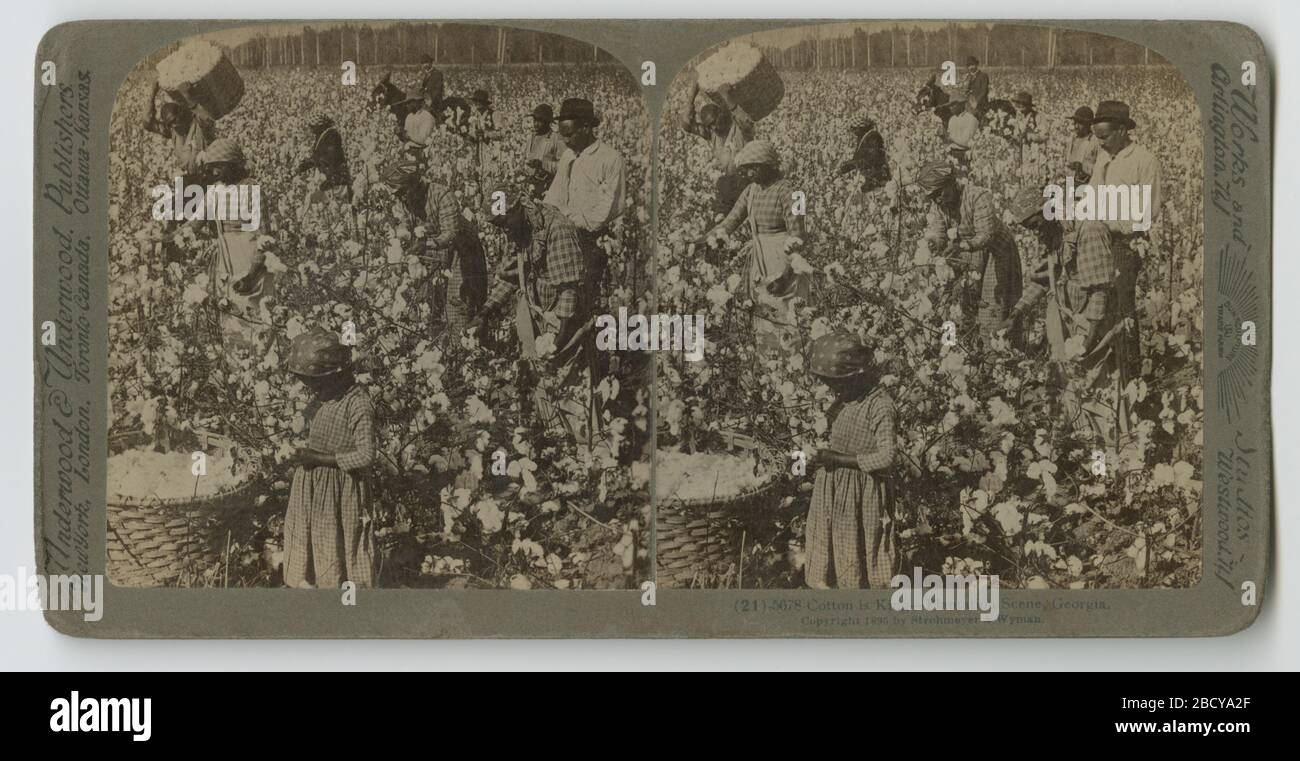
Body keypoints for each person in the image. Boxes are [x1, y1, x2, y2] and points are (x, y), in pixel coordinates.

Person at [473, 189, 593, 438]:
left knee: (568, 385)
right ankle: (554, 441)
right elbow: (511, 276)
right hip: (538, 311)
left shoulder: (557, 229)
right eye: (498, 225)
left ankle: (584, 448)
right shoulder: (518, 230)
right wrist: (485, 312)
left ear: (519, 209)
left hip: (565, 319)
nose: (503, 229)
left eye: (504, 222)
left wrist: (557, 341)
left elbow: (569, 290)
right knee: (539, 380)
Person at [282, 328, 377, 589]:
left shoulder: (358, 404)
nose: (312, 390)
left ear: (337, 376)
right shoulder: (325, 400)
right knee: (311, 541)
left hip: (340, 491)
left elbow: (366, 455)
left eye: (317, 383)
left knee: (337, 543)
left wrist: (320, 458)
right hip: (313, 489)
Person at [805, 332, 898, 590]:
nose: (833, 389)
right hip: (833, 490)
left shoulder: (879, 406)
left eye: (837, 383)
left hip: (862, 492)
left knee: (857, 547)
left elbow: (887, 457)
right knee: (830, 544)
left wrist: (837, 458)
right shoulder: (844, 401)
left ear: (856, 375)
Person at [706, 139, 808, 356]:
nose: (749, 174)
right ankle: (768, 363)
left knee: (786, 311)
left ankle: (792, 366)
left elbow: (799, 235)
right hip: (760, 260)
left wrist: (787, 275)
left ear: (768, 165)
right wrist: (703, 239)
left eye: (753, 168)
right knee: (762, 308)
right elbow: (731, 220)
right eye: (746, 169)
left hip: (784, 261)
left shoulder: (793, 192)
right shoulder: (751, 191)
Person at [1088, 100, 1162, 378]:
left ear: (1122, 130)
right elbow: (1093, 196)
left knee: (1122, 306)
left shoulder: (1144, 161)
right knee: (1100, 304)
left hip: (1126, 243)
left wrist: (1110, 223)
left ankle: (1129, 371)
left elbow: (1145, 215)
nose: (1101, 143)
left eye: (1104, 137)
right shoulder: (1104, 157)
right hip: (1100, 239)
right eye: (1097, 137)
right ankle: (1107, 368)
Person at [917, 161, 1022, 344]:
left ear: (951, 183)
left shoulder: (977, 196)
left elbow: (986, 235)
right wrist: (933, 243)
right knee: (957, 302)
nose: (938, 199)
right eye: (933, 196)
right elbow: (939, 233)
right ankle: (956, 351)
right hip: (969, 253)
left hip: (996, 254)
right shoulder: (939, 206)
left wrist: (962, 247)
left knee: (992, 306)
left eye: (940, 192)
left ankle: (996, 357)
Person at [193, 139, 275, 356]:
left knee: (255, 317)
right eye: (212, 167)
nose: (215, 171)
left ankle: (262, 371)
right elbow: (195, 222)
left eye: (219, 165)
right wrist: (167, 235)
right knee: (230, 315)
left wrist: (252, 274)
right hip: (225, 263)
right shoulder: (216, 191)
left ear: (234, 164)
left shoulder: (251, 189)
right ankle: (239, 369)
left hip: (249, 261)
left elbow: (264, 235)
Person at [544, 97, 627, 236]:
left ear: (586, 128)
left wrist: (573, 223)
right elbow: (556, 193)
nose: (565, 141)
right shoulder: (568, 155)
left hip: (594, 238)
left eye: (569, 135)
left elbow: (610, 207)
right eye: (562, 135)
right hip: (566, 233)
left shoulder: (611, 159)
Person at [424, 168, 487, 344]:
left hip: (463, 252)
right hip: (437, 253)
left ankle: (462, 347)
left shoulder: (442, 194)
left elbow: (450, 234)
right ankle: (438, 345)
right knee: (430, 302)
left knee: (459, 300)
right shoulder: (405, 199)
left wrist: (427, 244)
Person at [682, 77, 755, 214]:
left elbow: (746, 121)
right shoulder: (713, 135)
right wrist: (692, 94)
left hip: (749, 180)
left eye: (715, 122)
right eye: (710, 125)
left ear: (721, 115)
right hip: (731, 184)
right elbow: (686, 124)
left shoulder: (738, 128)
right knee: (722, 189)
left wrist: (728, 97)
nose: (714, 127)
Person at [144, 80, 215, 176]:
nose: (173, 125)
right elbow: (147, 123)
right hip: (192, 180)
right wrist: (152, 94)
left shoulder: (198, 124)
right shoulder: (174, 132)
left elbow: (206, 118)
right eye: (169, 124)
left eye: (174, 120)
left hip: (210, 174)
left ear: (181, 114)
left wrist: (187, 97)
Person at [297, 113, 351, 203]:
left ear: (319, 126)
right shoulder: (321, 135)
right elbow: (317, 156)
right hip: (327, 177)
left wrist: (329, 178)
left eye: (312, 127)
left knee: (333, 204)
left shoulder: (332, 135)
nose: (311, 130)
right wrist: (306, 164)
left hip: (336, 179)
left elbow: (331, 158)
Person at [838, 114, 890, 194]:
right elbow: (857, 158)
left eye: (855, 129)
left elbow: (873, 160)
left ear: (862, 128)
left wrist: (852, 164)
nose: (853, 132)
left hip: (877, 179)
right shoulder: (862, 137)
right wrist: (847, 166)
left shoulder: (874, 137)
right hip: (869, 177)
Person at [525, 104, 563, 195]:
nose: (536, 124)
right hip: (530, 185)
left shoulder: (556, 139)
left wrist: (543, 165)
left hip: (548, 187)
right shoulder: (531, 138)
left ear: (547, 122)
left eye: (540, 121)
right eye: (535, 120)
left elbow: (563, 166)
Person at [1065, 106, 1100, 184]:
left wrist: (1083, 167)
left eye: (1080, 123)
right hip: (1070, 184)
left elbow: (1101, 170)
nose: (1076, 126)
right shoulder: (1072, 140)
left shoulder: (1096, 142)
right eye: (1075, 122)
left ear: (1088, 124)